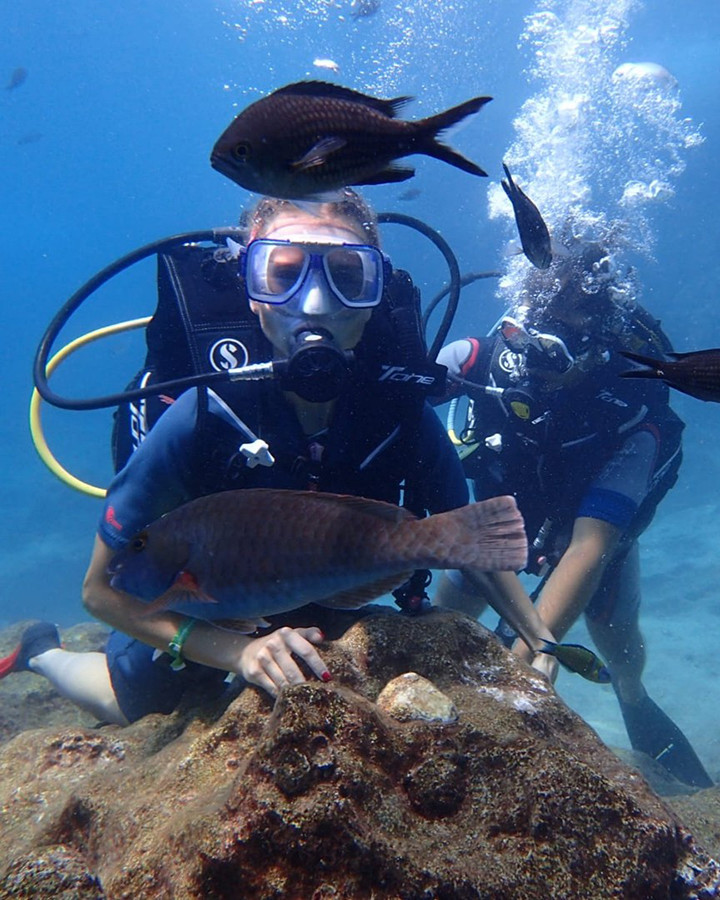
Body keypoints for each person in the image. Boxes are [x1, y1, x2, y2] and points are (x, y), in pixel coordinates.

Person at [1, 190, 556, 725]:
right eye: (283, 275)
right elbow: (99, 592)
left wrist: (539, 638)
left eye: (347, 277)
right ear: (250, 290)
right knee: (135, 702)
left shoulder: (399, 407)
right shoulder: (202, 412)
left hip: (323, 596)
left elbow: (466, 534)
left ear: (376, 294)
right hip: (210, 603)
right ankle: (42, 652)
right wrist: (236, 653)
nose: (315, 303)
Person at [435, 240, 714, 789]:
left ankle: (632, 696)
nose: (542, 360)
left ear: (603, 346)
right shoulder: (486, 358)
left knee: (615, 640)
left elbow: (592, 546)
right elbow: (405, 385)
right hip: (502, 521)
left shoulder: (634, 409)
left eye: (565, 345)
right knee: (449, 613)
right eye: (537, 334)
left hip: (593, 533)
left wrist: (526, 663)